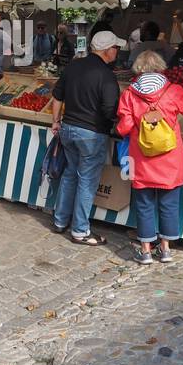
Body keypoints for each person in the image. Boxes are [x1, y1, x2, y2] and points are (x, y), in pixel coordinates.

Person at [116, 50, 183, 264]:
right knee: (169, 203)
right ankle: (165, 249)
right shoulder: (173, 91)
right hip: (170, 158)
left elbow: (124, 127)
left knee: (144, 204)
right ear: (161, 66)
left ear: (138, 68)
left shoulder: (129, 94)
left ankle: (145, 251)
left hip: (142, 158)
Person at [48, 30, 123, 246]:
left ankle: (60, 221)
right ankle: (80, 231)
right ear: (107, 50)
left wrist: (56, 121)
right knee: (86, 181)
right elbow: (110, 109)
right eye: (116, 47)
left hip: (68, 129)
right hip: (91, 133)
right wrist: (116, 124)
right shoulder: (107, 75)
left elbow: (57, 96)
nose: (117, 51)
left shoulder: (73, 66)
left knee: (70, 174)